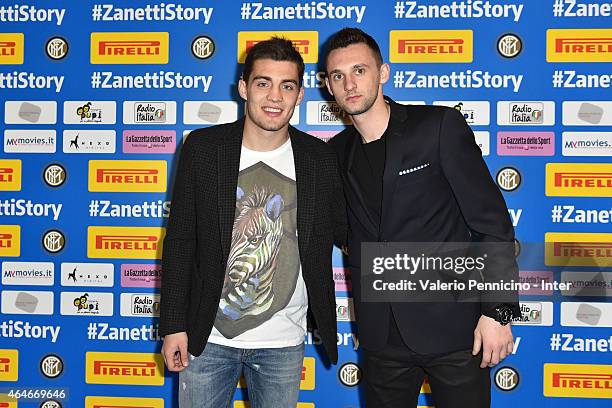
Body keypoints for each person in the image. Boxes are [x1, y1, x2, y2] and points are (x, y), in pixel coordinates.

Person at [324, 28, 520, 408]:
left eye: (359, 70)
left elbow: (491, 224)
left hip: (457, 332)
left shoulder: (437, 127)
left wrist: (498, 312)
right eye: (338, 75)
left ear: (383, 73)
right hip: (381, 339)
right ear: (329, 86)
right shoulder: (336, 153)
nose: (349, 83)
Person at [159, 37, 346, 408]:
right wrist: (172, 326)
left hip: (283, 342)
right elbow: (180, 242)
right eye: (263, 83)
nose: (275, 96)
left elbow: (345, 230)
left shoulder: (318, 158)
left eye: (287, 85)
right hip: (206, 339)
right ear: (244, 88)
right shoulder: (203, 149)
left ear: (300, 95)